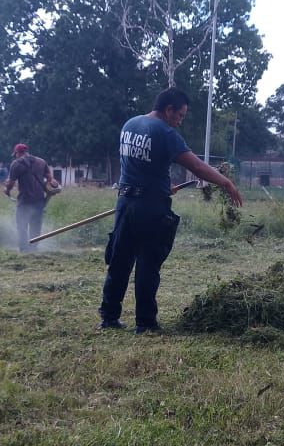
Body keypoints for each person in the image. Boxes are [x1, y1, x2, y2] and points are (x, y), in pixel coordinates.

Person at [99, 88, 243, 334]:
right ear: (169, 110)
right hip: (150, 208)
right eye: (181, 115)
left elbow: (138, 167)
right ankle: (145, 323)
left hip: (124, 202)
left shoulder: (130, 125)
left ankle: (109, 317)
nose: (180, 121)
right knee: (148, 263)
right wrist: (226, 182)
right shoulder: (165, 133)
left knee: (120, 261)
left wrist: (164, 187)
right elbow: (197, 166)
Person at [4, 143, 58, 251]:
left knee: (22, 226)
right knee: (36, 226)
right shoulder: (41, 162)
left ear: (17, 153)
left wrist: (7, 191)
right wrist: (53, 184)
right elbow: (50, 179)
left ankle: (24, 249)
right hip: (39, 200)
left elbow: (11, 183)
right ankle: (33, 248)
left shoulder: (16, 164)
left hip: (24, 200)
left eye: (15, 154)